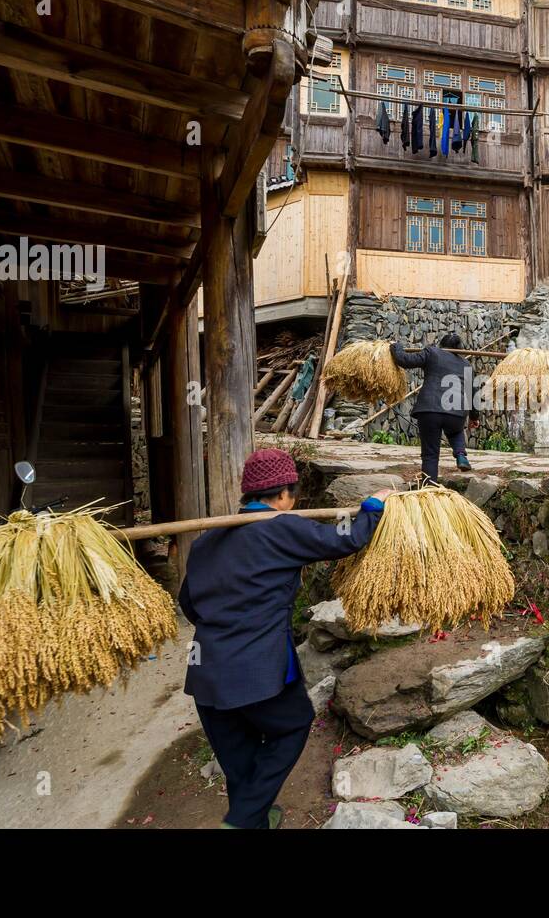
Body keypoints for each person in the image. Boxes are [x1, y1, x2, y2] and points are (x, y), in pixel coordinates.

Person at [178, 448, 390, 829]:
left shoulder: (206, 542)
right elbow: (345, 539)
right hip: (258, 671)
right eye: (292, 495)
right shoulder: (281, 526)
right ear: (283, 495)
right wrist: (373, 506)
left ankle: (254, 820)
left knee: (239, 759)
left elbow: (189, 604)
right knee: (292, 726)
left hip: (207, 674)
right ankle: (241, 822)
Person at [391, 333, 478, 482]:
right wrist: (474, 417)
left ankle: (430, 487)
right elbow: (473, 394)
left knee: (430, 453)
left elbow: (404, 360)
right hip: (457, 413)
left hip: (430, 410)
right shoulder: (467, 365)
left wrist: (396, 347)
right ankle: (460, 455)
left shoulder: (432, 353)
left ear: (441, 345)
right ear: (459, 349)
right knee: (455, 431)